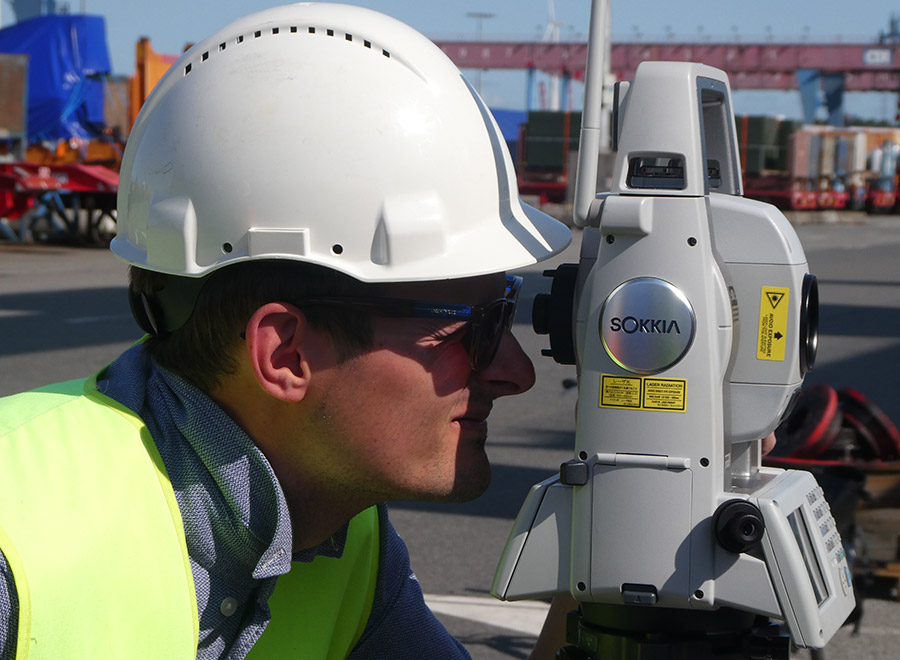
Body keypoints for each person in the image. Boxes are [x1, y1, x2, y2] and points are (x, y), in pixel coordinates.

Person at [0, 3, 571, 659]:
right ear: (286, 353)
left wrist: (604, 585)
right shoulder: (16, 539)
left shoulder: (339, 538)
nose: (516, 372)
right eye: (480, 325)